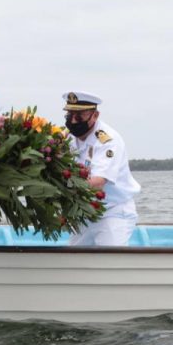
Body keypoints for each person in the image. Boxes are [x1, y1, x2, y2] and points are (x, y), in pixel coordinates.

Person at [63, 91, 141, 246]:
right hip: (85, 211)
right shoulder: (66, 137)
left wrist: (62, 186)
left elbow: (98, 181)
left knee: (108, 260)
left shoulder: (108, 141)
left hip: (112, 211)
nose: (73, 121)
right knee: (74, 259)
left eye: (79, 116)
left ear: (95, 115)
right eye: (69, 115)